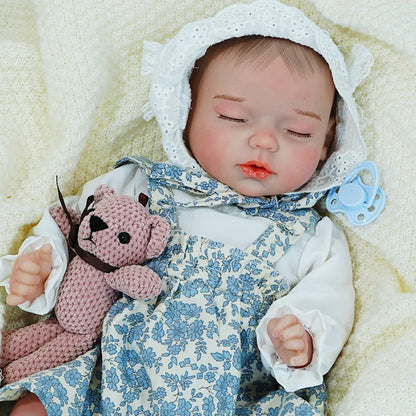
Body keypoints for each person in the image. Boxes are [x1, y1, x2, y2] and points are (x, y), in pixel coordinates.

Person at [0, 0, 373, 414]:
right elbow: (77, 222)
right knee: (38, 405)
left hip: (230, 396)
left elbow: (329, 303)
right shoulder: (143, 186)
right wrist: (41, 262)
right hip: (115, 369)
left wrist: (300, 339)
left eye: (297, 130)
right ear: (186, 111)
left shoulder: (310, 236)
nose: (265, 141)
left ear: (326, 144)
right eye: (234, 117)